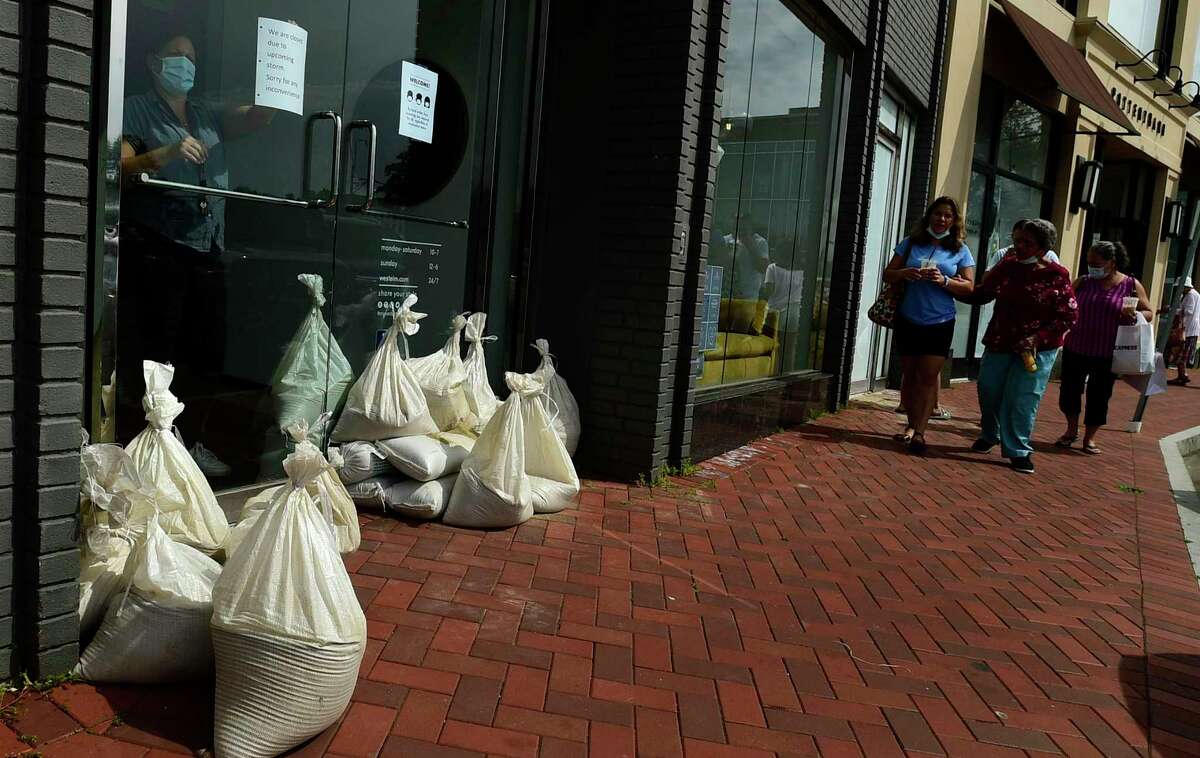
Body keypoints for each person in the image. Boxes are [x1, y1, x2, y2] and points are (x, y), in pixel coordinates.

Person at [118, 32, 277, 477]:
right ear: (153, 62)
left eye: (192, 57)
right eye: (176, 56)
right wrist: (165, 153)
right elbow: (121, 166)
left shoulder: (205, 111)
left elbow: (257, 118)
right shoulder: (134, 107)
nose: (186, 64)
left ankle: (191, 445)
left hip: (208, 247)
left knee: (206, 354)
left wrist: (277, 74)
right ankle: (150, 453)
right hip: (160, 247)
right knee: (159, 355)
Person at [955, 219, 1077, 474]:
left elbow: (1068, 315)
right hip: (1001, 339)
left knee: (1021, 398)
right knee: (988, 389)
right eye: (1017, 240)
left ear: (1042, 249)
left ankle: (1018, 450)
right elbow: (983, 293)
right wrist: (949, 286)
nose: (1019, 246)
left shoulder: (1056, 275)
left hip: (1035, 348)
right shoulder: (1007, 266)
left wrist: (1038, 337)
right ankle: (990, 434)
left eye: (1027, 243)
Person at [881, 196, 975, 454]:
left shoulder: (960, 249)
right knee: (909, 375)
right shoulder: (910, 243)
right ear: (929, 216)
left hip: (940, 321)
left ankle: (920, 433)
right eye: (937, 214)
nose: (942, 219)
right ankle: (910, 426)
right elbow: (888, 273)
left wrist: (944, 280)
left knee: (928, 376)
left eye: (947, 216)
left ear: (954, 221)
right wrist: (904, 274)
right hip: (908, 317)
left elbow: (969, 287)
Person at [1056, 241, 1152, 454]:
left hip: (1107, 352)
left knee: (1099, 396)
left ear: (1112, 263)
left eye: (1096, 263)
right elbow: (1066, 304)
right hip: (1076, 347)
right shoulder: (1083, 282)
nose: (1091, 267)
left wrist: (1135, 314)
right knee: (1069, 392)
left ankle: (1090, 438)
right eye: (1089, 263)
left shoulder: (1131, 285)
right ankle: (1071, 430)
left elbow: (1149, 312)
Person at [1168, 277, 1200, 385]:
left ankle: (1183, 376)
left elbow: (1189, 311)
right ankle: (1182, 376)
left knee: (1181, 354)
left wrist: (1174, 311)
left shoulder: (1191, 295)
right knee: (1182, 355)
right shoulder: (1194, 294)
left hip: (1189, 329)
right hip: (1190, 329)